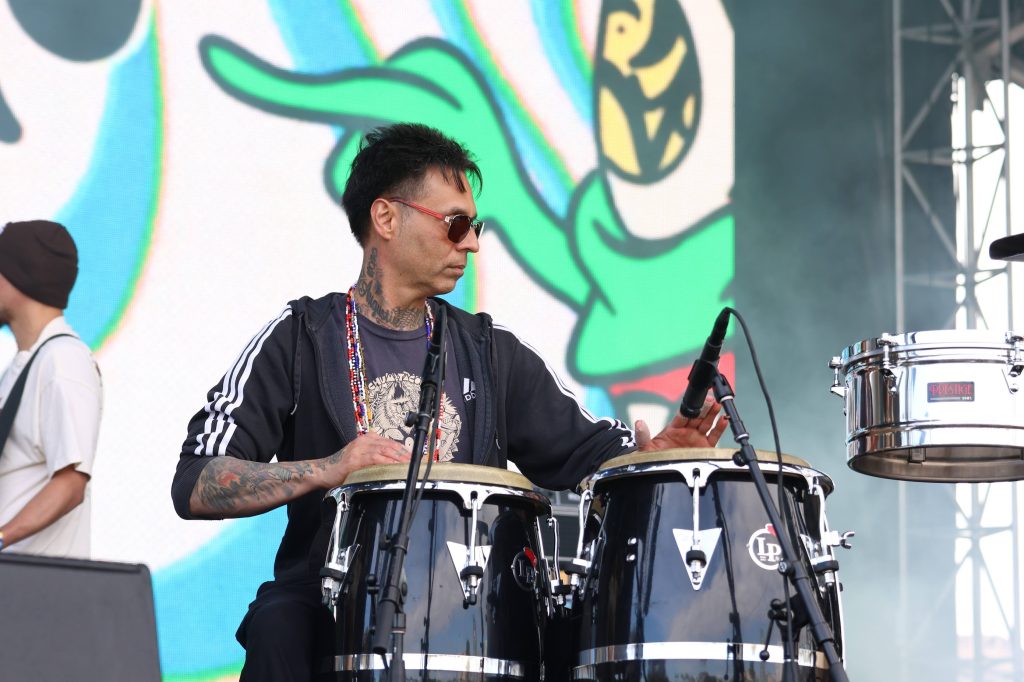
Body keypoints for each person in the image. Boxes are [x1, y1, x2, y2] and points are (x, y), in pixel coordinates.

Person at [171, 123, 727, 681]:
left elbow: (592, 455)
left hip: (472, 602)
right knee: (277, 626)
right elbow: (196, 481)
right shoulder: (301, 338)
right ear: (386, 218)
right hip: (333, 597)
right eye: (455, 224)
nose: (472, 243)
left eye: (474, 226)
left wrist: (654, 461)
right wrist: (330, 468)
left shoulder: (491, 351)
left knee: (571, 626)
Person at [0, 220, 103, 558]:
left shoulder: (63, 361)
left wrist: (1, 537)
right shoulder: (28, 363)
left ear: (19, 278)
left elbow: (70, 483)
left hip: (36, 584)